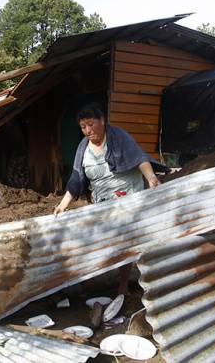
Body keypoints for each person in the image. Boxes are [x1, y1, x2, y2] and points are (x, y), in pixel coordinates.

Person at [54, 103, 166, 293]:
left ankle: (123, 284)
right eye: (83, 127)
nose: (88, 131)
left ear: (103, 121)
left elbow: (138, 157)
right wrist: (62, 205)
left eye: (91, 124)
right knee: (96, 239)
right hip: (102, 203)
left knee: (125, 240)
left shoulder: (118, 137)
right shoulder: (83, 148)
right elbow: (76, 178)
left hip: (128, 198)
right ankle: (92, 282)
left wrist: (151, 178)